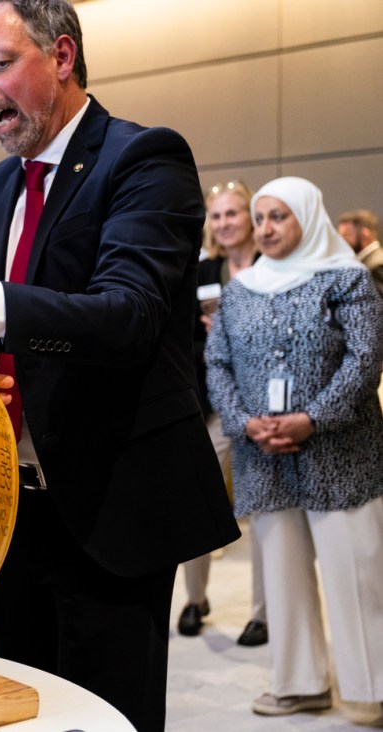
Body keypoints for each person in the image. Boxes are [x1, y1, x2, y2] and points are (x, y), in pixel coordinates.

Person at [0, 1, 240, 728]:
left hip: (110, 503)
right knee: (24, 711)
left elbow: (128, 317)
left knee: (108, 716)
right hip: (7, 506)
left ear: (64, 56)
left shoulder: (144, 159)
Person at [205, 176, 383, 717]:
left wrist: (314, 418)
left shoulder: (347, 279)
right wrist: (243, 422)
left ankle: (371, 690)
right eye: (261, 218)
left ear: (307, 215)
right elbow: (218, 362)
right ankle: (299, 683)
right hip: (265, 457)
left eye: (278, 216)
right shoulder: (241, 289)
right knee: (281, 578)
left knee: (356, 574)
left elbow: (365, 359)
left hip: (341, 453)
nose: (266, 228)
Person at [178, 180, 268, 646]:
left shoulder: (272, 267)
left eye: (233, 213)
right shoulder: (202, 271)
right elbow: (182, 340)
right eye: (217, 216)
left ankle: (263, 612)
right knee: (198, 499)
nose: (225, 223)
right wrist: (212, 337)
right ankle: (195, 599)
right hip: (215, 405)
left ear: (250, 217)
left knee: (265, 509)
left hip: (270, 406)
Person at [337, 208, 383, 297]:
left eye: (346, 235)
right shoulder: (361, 262)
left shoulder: (377, 265)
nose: (341, 241)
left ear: (364, 234)